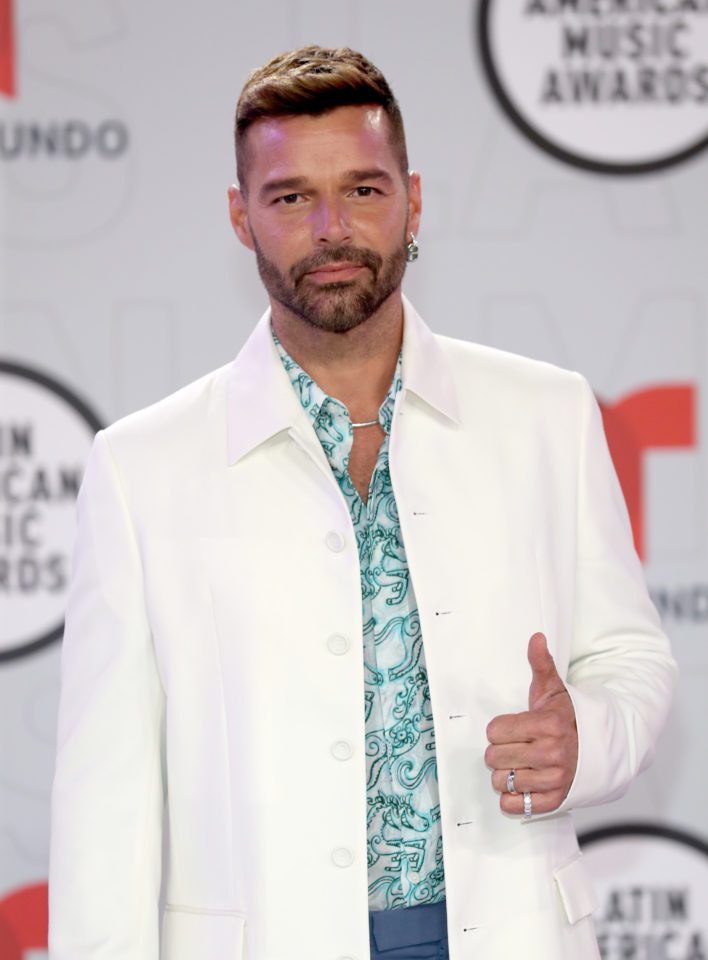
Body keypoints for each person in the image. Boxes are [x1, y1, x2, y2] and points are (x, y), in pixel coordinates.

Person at [48, 45, 676, 960]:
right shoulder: (141, 467)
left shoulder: (547, 414)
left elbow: (630, 659)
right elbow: (104, 811)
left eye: (364, 191)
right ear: (241, 217)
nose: (332, 227)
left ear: (414, 200)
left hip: (514, 931)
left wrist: (590, 736)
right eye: (292, 197)